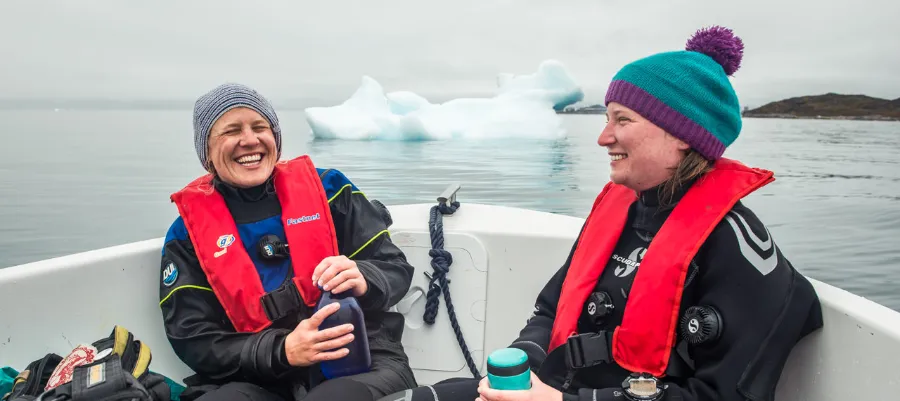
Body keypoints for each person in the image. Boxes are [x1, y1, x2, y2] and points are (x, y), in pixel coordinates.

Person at [377, 25, 823, 401]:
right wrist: (520, 374)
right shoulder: (622, 213)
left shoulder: (735, 247)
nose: (603, 137)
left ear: (682, 135)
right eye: (606, 118)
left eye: (622, 120)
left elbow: (721, 395)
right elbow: (551, 311)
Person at [159, 83, 417, 401]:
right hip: (257, 377)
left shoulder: (331, 191)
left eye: (260, 127)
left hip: (363, 360)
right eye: (231, 131)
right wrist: (283, 351)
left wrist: (364, 275)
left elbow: (395, 268)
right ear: (206, 153)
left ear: (275, 138)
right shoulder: (187, 236)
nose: (249, 140)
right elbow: (194, 339)